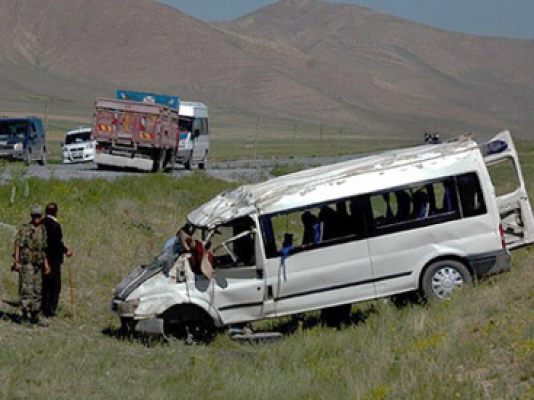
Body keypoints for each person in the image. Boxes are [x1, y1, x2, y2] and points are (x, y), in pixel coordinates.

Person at [13, 205, 50, 326]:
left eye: (38, 216)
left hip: (38, 263)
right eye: (34, 216)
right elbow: (18, 245)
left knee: (37, 290)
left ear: (42, 216)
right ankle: (25, 315)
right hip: (27, 262)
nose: (36, 218)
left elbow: (43, 249)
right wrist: (17, 262)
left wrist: (46, 264)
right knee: (26, 289)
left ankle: (35, 315)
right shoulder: (25, 229)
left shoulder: (43, 229)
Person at [41, 202, 72, 318]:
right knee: (54, 286)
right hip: (53, 259)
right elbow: (56, 242)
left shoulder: (42, 223)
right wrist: (65, 250)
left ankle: (43, 306)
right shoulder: (54, 225)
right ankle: (50, 310)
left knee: (44, 284)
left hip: (42, 258)